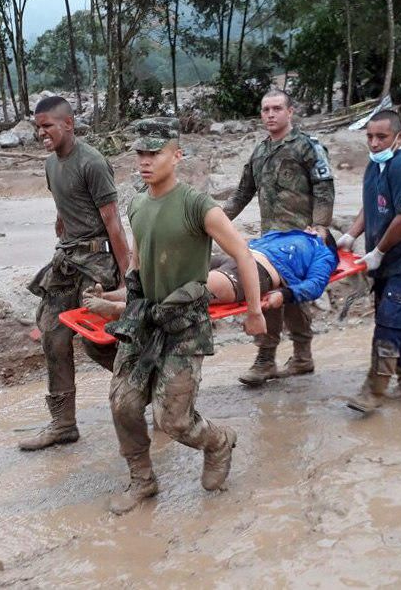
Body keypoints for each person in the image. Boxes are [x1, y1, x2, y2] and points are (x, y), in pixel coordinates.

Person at [106, 134, 267, 515]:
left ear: (176, 156)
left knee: (173, 420)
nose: (145, 161)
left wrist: (255, 310)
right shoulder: (138, 205)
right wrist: (126, 301)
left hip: (184, 325)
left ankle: (217, 442)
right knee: (123, 403)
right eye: (140, 154)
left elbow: (243, 253)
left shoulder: (198, 206)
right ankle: (142, 480)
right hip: (145, 319)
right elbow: (138, 261)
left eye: (154, 153)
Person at [19, 96, 131, 451]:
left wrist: (128, 280)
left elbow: (114, 224)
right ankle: (63, 423)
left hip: (97, 262)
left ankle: (148, 386)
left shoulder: (93, 163)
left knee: (97, 344)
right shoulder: (51, 165)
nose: (42, 133)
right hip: (67, 259)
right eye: (38, 127)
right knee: (53, 335)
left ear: (68, 124)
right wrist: (60, 228)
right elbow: (63, 208)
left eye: (48, 125)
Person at [222, 89, 335, 386]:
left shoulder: (307, 148)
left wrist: (321, 227)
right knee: (266, 298)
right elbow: (242, 194)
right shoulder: (259, 153)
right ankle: (267, 358)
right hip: (269, 241)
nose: (270, 114)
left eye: (276, 109)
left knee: (292, 299)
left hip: (301, 241)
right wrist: (215, 223)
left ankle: (300, 356)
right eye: (265, 110)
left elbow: (324, 189)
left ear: (290, 112)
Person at [337, 110, 401, 414]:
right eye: (369, 136)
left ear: (399, 138)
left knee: (389, 319)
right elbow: (372, 206)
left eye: (381, 137)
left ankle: (374, 389)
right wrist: (350, 236)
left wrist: (378, 250)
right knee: (397, 319)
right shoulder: (375, 166)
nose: (375, 143)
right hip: (385, 258)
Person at [84, 230, 339, 343]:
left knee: (190, 288)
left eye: (316, 228)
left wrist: (284, 295)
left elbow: (316, 285)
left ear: (324, 238)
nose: (309, 227)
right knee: (168, 273)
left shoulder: (322, 252)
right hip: (235, 256)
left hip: (255, 273)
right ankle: (112, 295)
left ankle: (121, 308)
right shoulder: (285, 234)